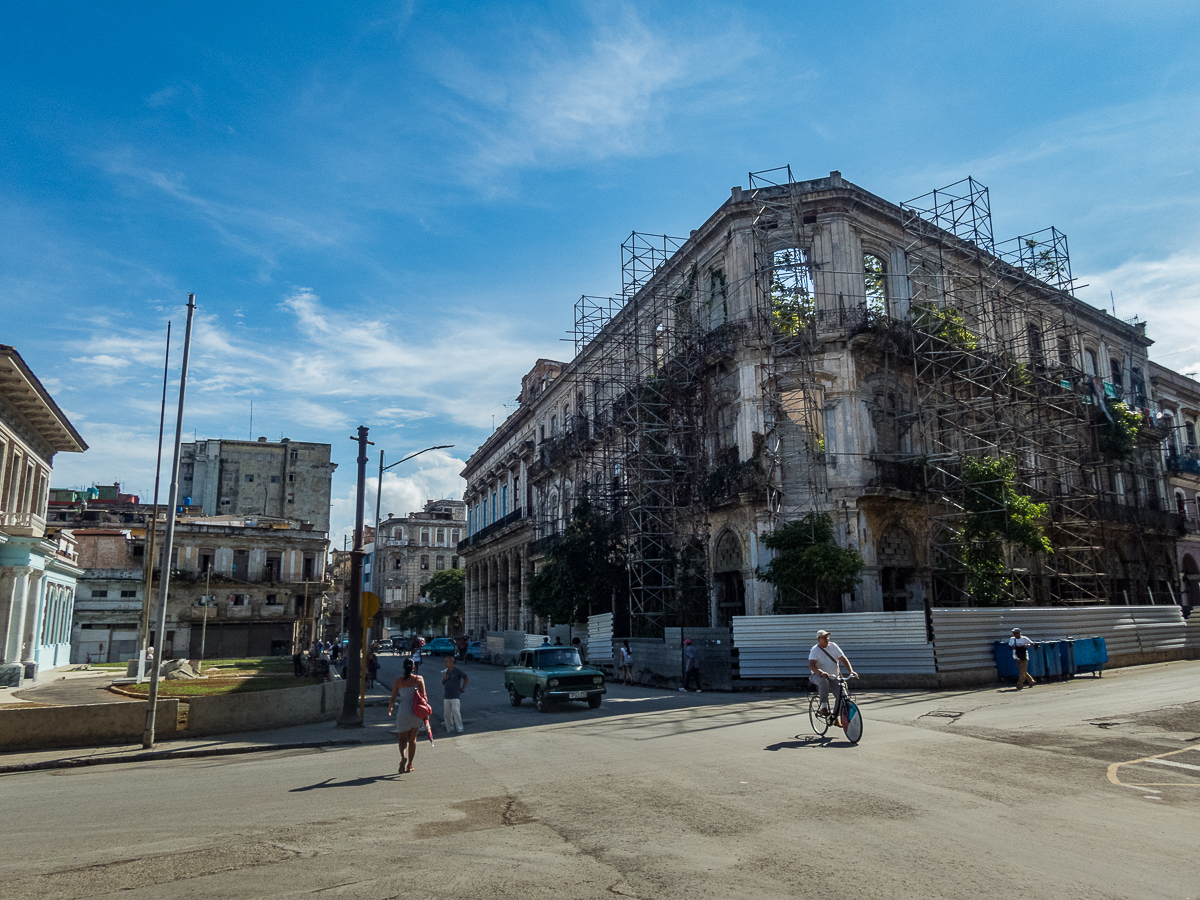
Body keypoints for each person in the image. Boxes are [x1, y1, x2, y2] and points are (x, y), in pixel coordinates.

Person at [388, 656, 427, 774]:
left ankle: (403, 757)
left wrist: (390, 709)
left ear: (403, 668)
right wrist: (426, 714)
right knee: (413, 739)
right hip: (416, 712)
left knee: (402, 739)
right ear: (414, 667)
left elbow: (393, 698)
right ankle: (410, 764)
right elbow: (424, 697)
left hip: (403, 711)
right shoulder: (419, 679)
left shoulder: (398, 681)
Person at [808, 630, 857, 717]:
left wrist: (851, 671)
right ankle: (824, 706)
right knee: (824, 682)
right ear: (819, 639)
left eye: (827, 636)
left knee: (842, 695)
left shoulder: (833, 646)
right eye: (824, 637)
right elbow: (812, 665)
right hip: (818, 676)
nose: (827, 638)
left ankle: (834, 717)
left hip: (834, 676)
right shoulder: (814, 650)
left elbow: (843, 659)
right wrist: (820, 672)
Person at [441, 653, 468, 733]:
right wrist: (444, 679)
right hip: (447, 695)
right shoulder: (446, 672)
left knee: (455, 711)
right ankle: (449, 728)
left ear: (452, 662)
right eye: (445, 662)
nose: (445, 664)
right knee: (447, 713)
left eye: (447, 662)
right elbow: (443, 683)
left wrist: (463, 688)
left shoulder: (457, 671)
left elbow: (466, 677)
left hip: (455, 694)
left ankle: (460, 728)